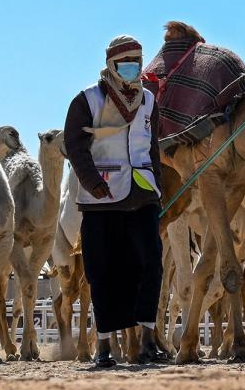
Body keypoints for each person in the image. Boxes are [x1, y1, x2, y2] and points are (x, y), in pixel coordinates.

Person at [64, 35, 168, 367]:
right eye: (124, 63)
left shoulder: (149, 100)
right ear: (111, 64)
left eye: (136, 62)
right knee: (102, 273)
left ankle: (148, 336)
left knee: (151, 263)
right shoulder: (88, 101)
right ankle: (104, 345)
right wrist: (92, 182)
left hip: (142, 194)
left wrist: (158, 188)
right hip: (102, 198)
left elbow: (152, 145)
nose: (131, 68)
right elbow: (74, 145)